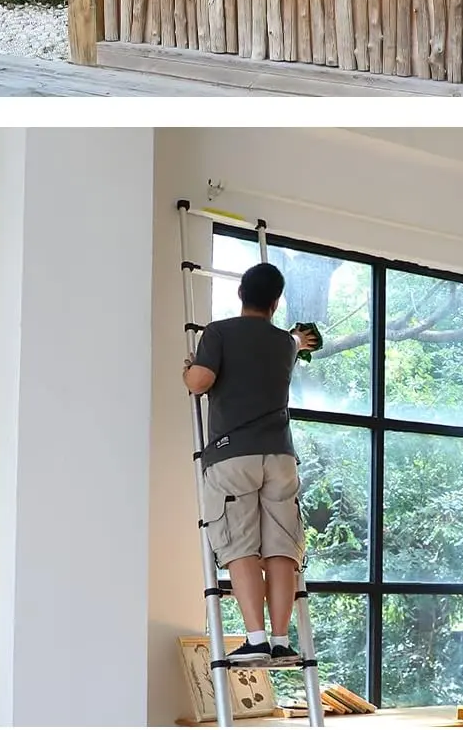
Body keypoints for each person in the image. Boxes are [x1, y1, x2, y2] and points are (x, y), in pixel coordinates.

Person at [182, 262, 321, 664]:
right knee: (281, 548)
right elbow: (297, 342)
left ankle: (256, 639)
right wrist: (299, 337)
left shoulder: (219, 332)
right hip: (280, 457)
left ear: (241, 293)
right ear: (276, 302)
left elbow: (201, 382)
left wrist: (188, 369)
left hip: (232, 455)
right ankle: (280, 639)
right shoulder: (284, 344)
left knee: (240, 544)